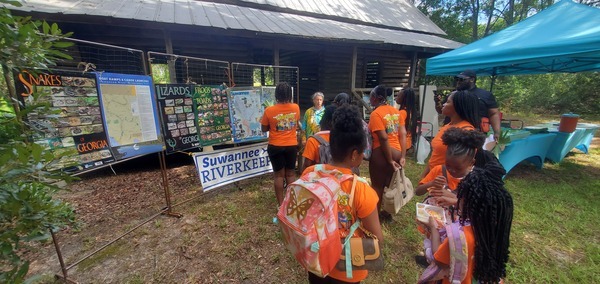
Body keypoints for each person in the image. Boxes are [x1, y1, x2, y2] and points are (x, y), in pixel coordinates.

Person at [303, 105, 383, 284]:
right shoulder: (362, 190)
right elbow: (377, 238)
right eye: (363, 152)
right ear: (355, 154)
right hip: (348, 269)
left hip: (317, 259)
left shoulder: (309, 173)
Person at [421, 162, 513, 284]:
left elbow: (438, 259)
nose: (457, 200)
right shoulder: (494, 230)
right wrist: (455, 202)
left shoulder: (459, 237)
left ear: (469, 204)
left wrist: (433, 228)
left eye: (461, 198)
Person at [415, 127, 486, 208]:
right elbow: (418, 192)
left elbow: (476, 207)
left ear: (471, 163)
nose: (451, 170)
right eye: (448, 165)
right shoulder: (439, 170)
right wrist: (431, 183)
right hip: (431, 213)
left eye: (458, 168)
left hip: (456, 219)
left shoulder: (474, 180)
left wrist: (453, 197)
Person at [420, 90, 480, 179]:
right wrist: (425, 176)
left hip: (447, 185)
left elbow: (463, 166)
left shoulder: (466, 132)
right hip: (434, 180)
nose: (443, 104)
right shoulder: (447, 126)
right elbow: (435, 156)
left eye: (447, 102)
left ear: (458, 106)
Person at [367, 85, 406, 221]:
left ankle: (375, 217)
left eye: (371, 96)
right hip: (397, 151)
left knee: (377, 186)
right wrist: (403, 156)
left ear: (376, 98)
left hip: (382, 154)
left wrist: (389, 160)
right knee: (390, 186)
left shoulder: (375, 114)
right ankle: (388, 213)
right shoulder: (396, 112)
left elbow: (383, 137)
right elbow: (403, 134)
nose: (369, 99)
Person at [261, 82, 301, 205]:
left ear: (276, 94)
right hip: (291, 146)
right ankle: (292, 203)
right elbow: (295, 123)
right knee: (290, 174)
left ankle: (280, 205)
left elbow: (264, 129)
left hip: (275, 145)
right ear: (289, 94)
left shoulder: (269, 110)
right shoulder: (296, 108)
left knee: (278, 176)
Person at [455, 69, 501, 141]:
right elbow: (441, 111)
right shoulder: (453, 95)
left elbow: (494, 114)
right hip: (454, 133)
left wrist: (497, 132)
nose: (458, 82)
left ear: (472, 79)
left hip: (476, 135)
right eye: (457, 79)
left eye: (461, 79)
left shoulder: (486, 95)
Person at [334, 92, 371, 162]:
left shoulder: (340, 118)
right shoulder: (357, 117)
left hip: (345, 153)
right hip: (356, 153)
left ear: (338, 103)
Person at [301, 105, 336, 173]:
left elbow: (307, 164)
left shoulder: (313, 140)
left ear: (323, 120)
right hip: (337, 178)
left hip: (318, 178)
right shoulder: (342, 139)